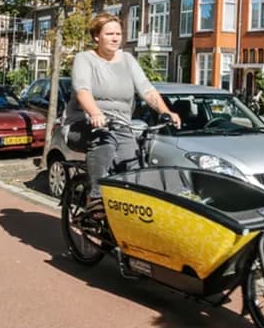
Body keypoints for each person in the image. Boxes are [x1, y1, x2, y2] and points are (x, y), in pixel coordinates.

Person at [65, 13, 180, 216]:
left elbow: (147, 89)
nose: (115, 38)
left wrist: (165, 111)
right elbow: (83, 90)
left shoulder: (127, 59)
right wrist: (95, 112)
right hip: (83, 124)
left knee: (133, 168)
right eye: (109, 33)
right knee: (104, 142)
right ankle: (96, 198)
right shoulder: (84, 59)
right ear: (96, 37)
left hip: (120, 125)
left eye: (118, 33)